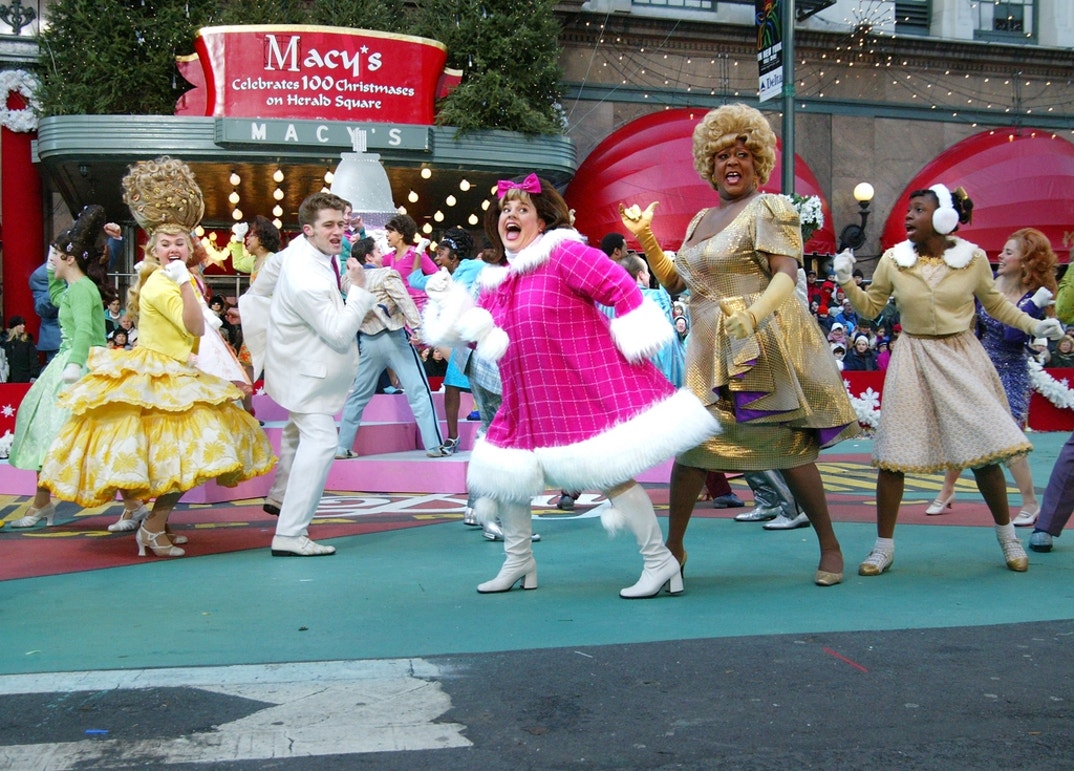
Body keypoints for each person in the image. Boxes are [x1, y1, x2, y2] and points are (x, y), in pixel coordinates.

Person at [422, 173, 719, 598]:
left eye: (522, 208)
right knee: (508, 476)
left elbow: (619, 286)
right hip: (522, 400)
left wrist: (633, 339)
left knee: (610, 474)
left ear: (541, 221)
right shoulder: (496, 278)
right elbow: (473, 336)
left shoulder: (564, 253)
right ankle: (518, 561)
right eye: (505, 209)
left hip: (574, 392)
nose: (511, 215)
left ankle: (659, 561)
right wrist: (447, 301)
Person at [620, 103, 859, 587]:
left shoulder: (770, 208)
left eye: (743, 153)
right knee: (692, 448)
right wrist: (645, 237)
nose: (732, 161)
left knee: (790, 447)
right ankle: (672, 552)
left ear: (758, 162)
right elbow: (675, 282)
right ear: (709, 164)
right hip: (708, 349)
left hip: (757, 344)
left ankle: (830, 547)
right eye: (722, 155)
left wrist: (753, 316)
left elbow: (785, 274)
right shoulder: (699, 220)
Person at [39, 157, 276, 556]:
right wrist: (183, 282)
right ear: (154, 249)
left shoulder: (173, 279)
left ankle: (154, 523)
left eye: (179, 242)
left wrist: (187, 281)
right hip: (162, 376)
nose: (173, 248)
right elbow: (196, 327)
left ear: (189, 246)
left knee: (182, 458)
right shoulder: (164, 284)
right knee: (189, 456)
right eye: (165, 243)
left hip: (176, 371)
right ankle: (150, 526)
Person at [833, 183, 1063, 575]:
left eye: (918, 209)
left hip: (960, 357)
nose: (909, 216)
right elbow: (870, 309)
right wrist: (847, 281)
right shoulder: (893, 259)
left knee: (983, 453)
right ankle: (882, 547)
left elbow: (996, 305)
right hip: (913, 356)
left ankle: (1007, 537)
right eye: (909, 209)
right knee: (892, 457)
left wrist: (1035, 325)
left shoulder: (972, 259)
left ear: (943, 218)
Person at [241, 191, 376, 557]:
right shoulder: (305, 277)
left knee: (296, 436)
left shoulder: (294, 253)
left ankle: (281, 499)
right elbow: (338, 332)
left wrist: (272, 327)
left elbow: (260, 288)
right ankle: (289, 533)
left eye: (341, 224)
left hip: (299, 367)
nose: (338, 232)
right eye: (329, 225)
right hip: (306, 375)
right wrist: (359, 290)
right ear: (308, 229)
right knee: (322, 442)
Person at [5, 206, 149, 531]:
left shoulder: (83, 289)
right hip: (69, 364)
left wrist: (73, 365)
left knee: (93, 439)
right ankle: (44, 503)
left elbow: (85, 331)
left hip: (81, 367)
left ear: (69, 259)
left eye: (55, 256)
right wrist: (51, 267)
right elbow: (56, 296)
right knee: (52, 435)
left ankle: (133, 505)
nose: (50, 261)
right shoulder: (74, 288)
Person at [928, 228, 1057, 523]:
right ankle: (947, 490)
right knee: (963, 429)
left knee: (1009, 439)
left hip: (1010, 372)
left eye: (1009, 252)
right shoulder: (990, 282)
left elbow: (1013, 335)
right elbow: (974, 324)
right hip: (980, 367)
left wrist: (1032, 306)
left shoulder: (1034, 297)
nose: (1000, 255)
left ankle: (1030, 503)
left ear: (1026, 262)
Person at [334, 236, 443, 460]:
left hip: (367, 342)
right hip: (395, 339)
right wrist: (418, 330)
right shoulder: (387, 274)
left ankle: (342, 447)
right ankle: (434, 445)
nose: (382, 254)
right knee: (419, 392)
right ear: (368, 257)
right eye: (377, 251)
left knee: (358, 396)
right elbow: (405, 302)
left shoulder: (347, 281)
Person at [409, 228, 480, 456]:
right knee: (451, 387)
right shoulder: (443, 277)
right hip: (462, 341)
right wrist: (419, 252)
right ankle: (452, 439)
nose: (437, 257)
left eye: (441, 253)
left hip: (482, 337)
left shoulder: (475, 267)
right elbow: (415, 280)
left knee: (486, 391)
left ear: (455, 255)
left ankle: (494, 435)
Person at [382, 213, 437, 311]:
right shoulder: (392, 255)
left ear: (401, 235)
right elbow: (372, 260)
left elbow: (437, 276)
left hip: (420, 307)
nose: (387, 235)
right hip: (402, 308)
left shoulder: (416, 253)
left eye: (390, 232)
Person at [30, 261, 61, 365]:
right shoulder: (41, 275)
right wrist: (56, 287)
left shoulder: (85, 265)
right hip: (58, 337)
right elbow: (41, 309)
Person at [3, 316, 39, 382]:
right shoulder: (7, 343)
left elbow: (33, 359)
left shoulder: (27, 341)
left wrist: (34, 375)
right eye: (20, 324)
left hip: (26, 378)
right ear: (14, 327)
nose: (23, 326)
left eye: (23, 324)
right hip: (11, 379)